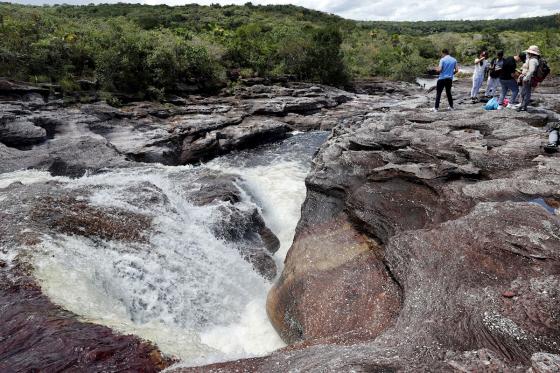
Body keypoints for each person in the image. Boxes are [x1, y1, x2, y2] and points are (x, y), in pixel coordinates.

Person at [517, 45, 541, 112]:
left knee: (525, 93)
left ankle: (523, 106)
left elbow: (531, 70)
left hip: (528, 79)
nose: (527, 53)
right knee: (525, 92)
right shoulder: (532, 59)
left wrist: (526, 78)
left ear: (531, 53)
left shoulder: (533, 60)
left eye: (528, 52)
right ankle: (523, 106)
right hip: (527, 78)